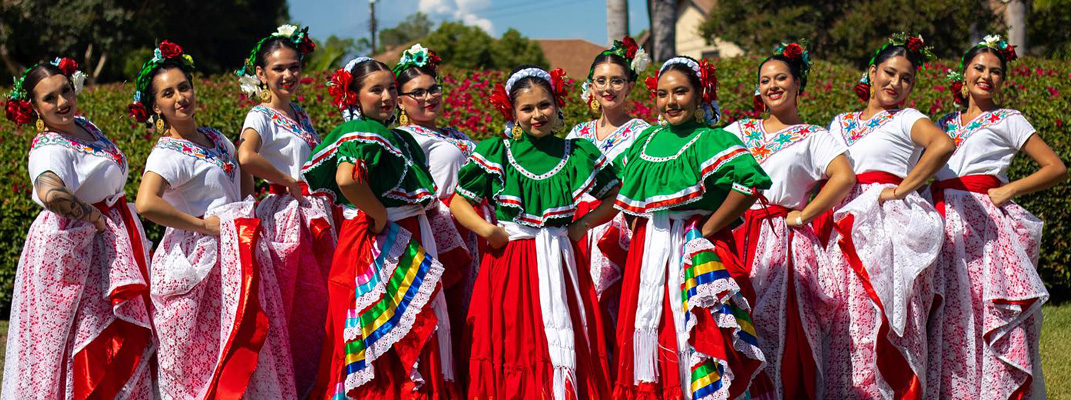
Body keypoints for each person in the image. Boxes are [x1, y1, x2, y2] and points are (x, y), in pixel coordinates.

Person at [131, 41, 297, 398]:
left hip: (237, 249)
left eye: (184, 87)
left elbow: (241, 177)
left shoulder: (215, 137)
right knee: (199, 356)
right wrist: (203, 225)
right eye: (168, 93)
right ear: (155, 106)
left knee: (246, 343)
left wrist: (248, 209)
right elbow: (146, 203)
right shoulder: (165, 154)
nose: (180, 97)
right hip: (199, 258)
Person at [451, 65, 615, 399]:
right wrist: (488, 230)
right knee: (515, 340)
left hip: (560, 260)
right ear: (512, 112)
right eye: (526, 108)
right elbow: (458, 202)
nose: (537, 115)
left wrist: (582, 225)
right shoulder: (497, 152)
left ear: (557, 105)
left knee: (566, 338)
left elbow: (616, 196)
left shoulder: (577, 152)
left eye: (544, 105)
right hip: (511, 261)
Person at [612, 56, 771, 399]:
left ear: (700, 95)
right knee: (650, 332)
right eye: (662, 94)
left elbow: (750, 182)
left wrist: (709, 229)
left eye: (680, 92)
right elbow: (619, 189)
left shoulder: (711, 140)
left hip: (693, 251)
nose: (670, 102)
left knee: (695, 331)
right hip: (649, 252)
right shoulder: (645, 142)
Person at [304, 56, 458, 399]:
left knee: (398, 331)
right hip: (381, 242)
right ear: (353, 96)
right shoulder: (363, 131)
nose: (387, 96)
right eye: (376, 90)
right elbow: (346, 180)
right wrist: (379, 215)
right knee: (388, 333)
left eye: (391, 88)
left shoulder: (392, 135)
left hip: (398, 235)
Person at [1, 58, 154, 400]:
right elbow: (49, 192)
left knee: (111, 336)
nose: (62, 102)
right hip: (76, 253)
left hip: (105, 240)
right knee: (86, 341)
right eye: (49, 99)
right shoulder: (49, 148)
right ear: (34, 109)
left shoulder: (83, 125)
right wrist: (96, 218)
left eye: (65, 91)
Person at [926, 34, 1066, 400]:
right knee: (948, 316)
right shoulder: (942, 121)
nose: (986, 76)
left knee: (981, 309)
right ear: (964, 72)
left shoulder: (1009, 119)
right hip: (942, 223)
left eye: (996, 71)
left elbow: (1055, 167)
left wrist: (1010, 189)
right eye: (979, 68)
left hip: (982, 226)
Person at [820, 33, 955, 399]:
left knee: (879, 315)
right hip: (843, 221)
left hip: (884, 224)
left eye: (906, 78)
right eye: (889, 73)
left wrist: (902, 189)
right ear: (872, 72)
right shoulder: (840, 122)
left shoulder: (908, 118)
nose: (895, 83)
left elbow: (943, 144)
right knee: (843, 315)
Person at [723, 41, 855, 399]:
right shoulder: (737, 131)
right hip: (733, 234)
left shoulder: (814, 136)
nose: (772, 86)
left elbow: (844, 177)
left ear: (799, 84)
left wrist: (805, 213)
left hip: (778, 240)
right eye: (765, 80)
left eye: (781, 78)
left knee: (775, 332)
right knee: (729, 328)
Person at [235, 24, 335, 395]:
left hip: (310, 214)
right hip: (284, 220)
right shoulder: (260, 115)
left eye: (294, 66)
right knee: (289, 306)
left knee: (315, 305)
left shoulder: (301, 115)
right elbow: (245, 156)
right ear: (261, 74)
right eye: (278, 68)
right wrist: (287, 181)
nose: (288, 75)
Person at [391, 43, 478, 360]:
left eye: (433, 89)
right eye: (418, 93)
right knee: (450, 309)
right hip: (442, 230)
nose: (428, 97)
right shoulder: (404, 137)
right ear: (400, 100)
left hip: (476, 225)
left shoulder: (453, 132)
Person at [567, 36, 650, 332]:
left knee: (613, 309)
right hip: (577, 228)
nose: (608, 88)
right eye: (600, 80)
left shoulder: (642, 133)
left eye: (617, 81)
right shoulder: (578, 133)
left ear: (630, 86)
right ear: (590, 86)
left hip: (620, 229)